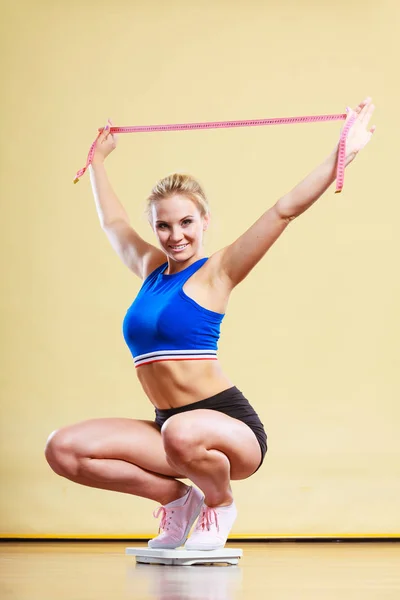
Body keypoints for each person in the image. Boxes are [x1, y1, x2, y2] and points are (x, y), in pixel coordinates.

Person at [45, 97, 376, 550]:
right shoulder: (150, 270)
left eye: (186, 222)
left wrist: (346, 153)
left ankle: (219, 504)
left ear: (204, 221)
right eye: (163, 226)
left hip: (228, 430)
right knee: (62, 448)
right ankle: (179, 501)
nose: (175, 235)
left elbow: (284, 210)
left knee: (183, 432)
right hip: (170, 429)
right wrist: (97, 161)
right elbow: (113, 223)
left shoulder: (217, 273)